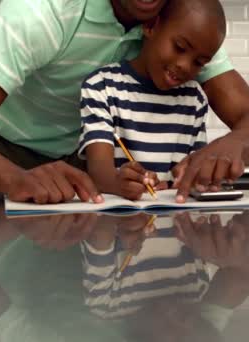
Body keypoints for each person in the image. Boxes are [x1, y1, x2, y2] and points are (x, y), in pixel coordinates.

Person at [0, 0, 249, 204]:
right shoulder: (43, 10)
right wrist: (16, 178)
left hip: (73, 168)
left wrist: (230, 145)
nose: (186, 62)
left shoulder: (176, 19)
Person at [79, 0, 225, 202]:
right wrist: (117, 183)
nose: (184, 65)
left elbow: (190, 170)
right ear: (150, 27)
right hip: (115, 224)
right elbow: (98, 171)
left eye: (199, 62)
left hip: (171, 225)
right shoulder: (101, 86)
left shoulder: (195, 99)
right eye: (179, 47)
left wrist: (184, 181)